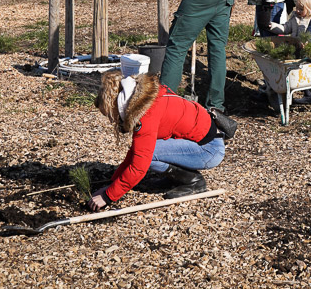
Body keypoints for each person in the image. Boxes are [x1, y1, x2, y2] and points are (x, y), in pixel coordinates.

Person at [89, 70, 226, 207]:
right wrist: (112, 182)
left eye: (110, 115)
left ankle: (193, 182)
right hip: (205, 140)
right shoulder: (145, 97)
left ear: (117, 106)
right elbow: (135, 150)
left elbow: (138, 166)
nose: (112, 121)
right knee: (143, 149)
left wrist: (108, 196)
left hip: (210, 149)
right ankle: (176, 178)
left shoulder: (145, 115)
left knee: (149, 155)